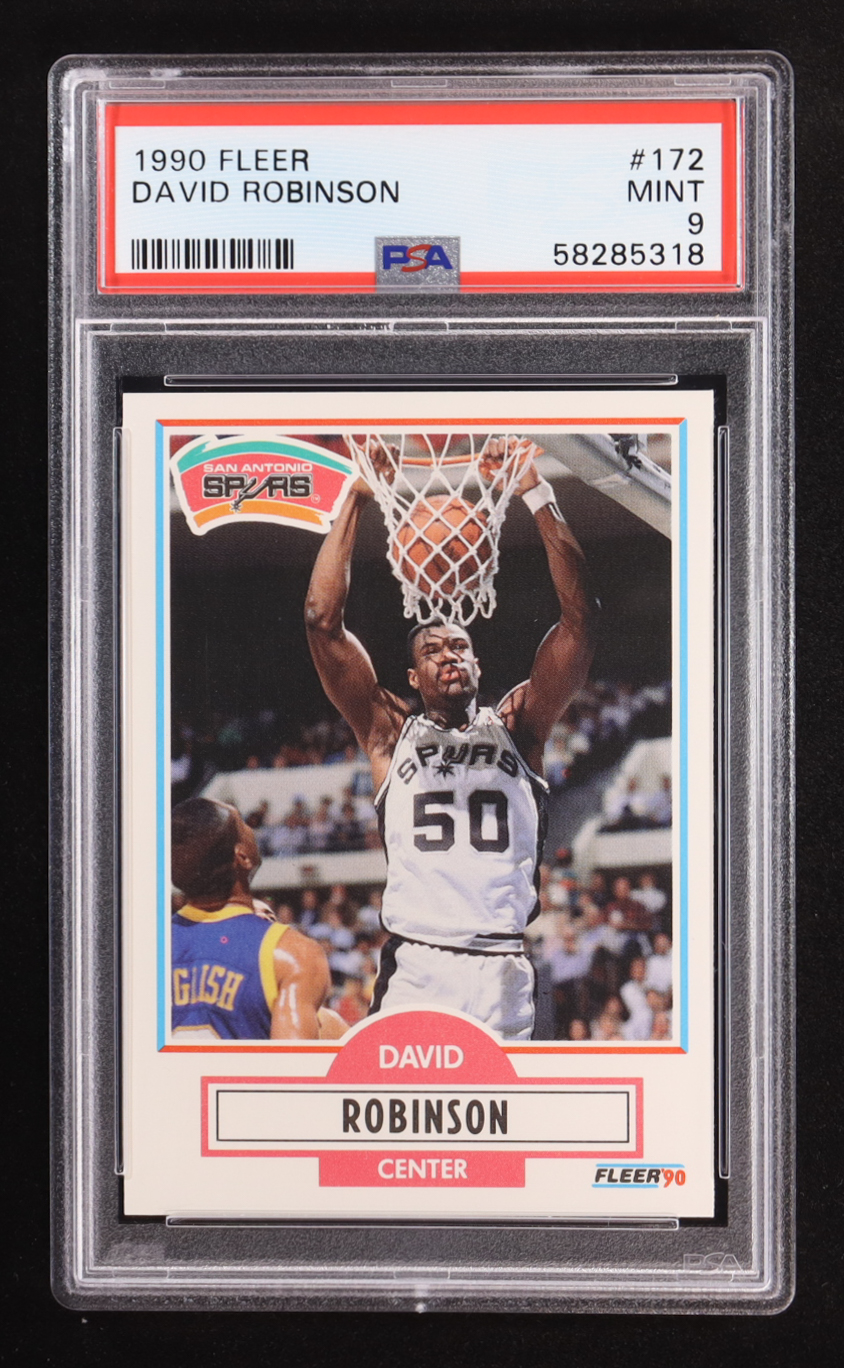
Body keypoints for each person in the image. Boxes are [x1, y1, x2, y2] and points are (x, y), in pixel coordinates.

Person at [304, 438, 596, 1039]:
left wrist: (534, 491)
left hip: (502, 965)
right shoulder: (391, 735)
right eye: (432, 650)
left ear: (478, 664)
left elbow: (581, 619)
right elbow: (320, 621)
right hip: (419, 962)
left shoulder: (519, 726)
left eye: (459, 646)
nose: (448, 655)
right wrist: (356, 495)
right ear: (413, 677)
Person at [170, 797, 339, 1040]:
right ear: (242, 857)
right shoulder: (292, 953)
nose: (251, 827)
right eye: (242, 822)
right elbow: (295, 1063)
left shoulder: (145, 950)